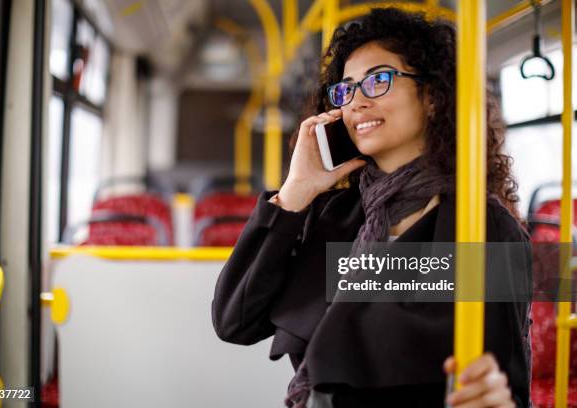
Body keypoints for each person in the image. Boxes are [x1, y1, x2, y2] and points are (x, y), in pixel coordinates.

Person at [212, 7, 530, 408]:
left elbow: (509, 387)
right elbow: (234, 321)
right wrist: (294, 192)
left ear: (432, 96)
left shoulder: (479, 227)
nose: (356, 101)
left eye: (378, 79)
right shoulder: (333, 215)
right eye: (345, 89)